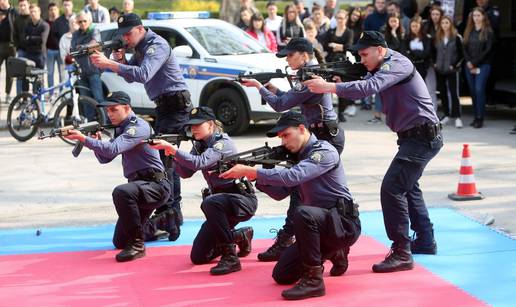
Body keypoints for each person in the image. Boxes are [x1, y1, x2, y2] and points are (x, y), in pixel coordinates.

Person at [305, 31, 443, 273]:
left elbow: (369, 87)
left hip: (421, 137)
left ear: (380, 49)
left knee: (392, 188)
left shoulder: (396, 64)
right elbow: (363, 77)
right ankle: (425, 240)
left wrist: (328, 86)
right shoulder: (382, 64)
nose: (361, 59)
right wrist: (340, 79)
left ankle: (402, 251)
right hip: (415, 137)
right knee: (408, 186)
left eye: (364, 54)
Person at [220, 111, 361, 300]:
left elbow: (293, 176)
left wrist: (254, 171)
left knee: (302, 213)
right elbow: (280, 194)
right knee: (282, 275)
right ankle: (335, 253)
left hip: (342, 224)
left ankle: (314, 282)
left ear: (302, 129)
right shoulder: (298, 158)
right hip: (319, 229)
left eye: (286, 135)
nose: (283, 142)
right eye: (280, 138)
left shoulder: (324, 151)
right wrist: (256, 178)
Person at [240, 38, 348, 276]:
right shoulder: (310, 74)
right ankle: (318, 240)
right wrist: (275, 90)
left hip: (322, 138)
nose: (288, 61)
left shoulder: (310, 77)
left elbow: (281, 105)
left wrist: (258, 87)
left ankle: (296, 239)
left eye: (290, 56)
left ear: (303, 55)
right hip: (320, 134)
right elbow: (292, 99)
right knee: (302, 189)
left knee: (300, 189)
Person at [90, 13, 192, 240]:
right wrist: (122, 62)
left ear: (140, 29)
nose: (126, 38)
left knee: (166, 158)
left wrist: (112, 64)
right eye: (123, 35)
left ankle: (171, 215)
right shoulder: (139, 46)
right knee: (164, 157)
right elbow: (131, 77)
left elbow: (144, 74)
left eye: (128, 33)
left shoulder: (157, 44)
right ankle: (170, 214)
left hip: (175, 105)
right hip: (165, 106)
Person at [64, 91, 171, 262]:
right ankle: (158, 224)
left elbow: (112, 149)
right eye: (107, 111)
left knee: (121, 192)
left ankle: (138, 245)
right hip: (139, 188)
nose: (109, 114)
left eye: (114, 109)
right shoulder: (122, 128)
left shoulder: (138, 127)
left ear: (127, 108)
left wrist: (84, 139)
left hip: (155, 186)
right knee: (119, 241)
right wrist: (95, 142)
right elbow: (105, 158)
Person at [150, 106, 257, 275]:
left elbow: (199, 163)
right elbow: (186, 173)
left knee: (210, 202)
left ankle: (230, 258)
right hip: (219, 206)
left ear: (210, 125)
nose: (193, 129)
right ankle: (239, 236)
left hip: (240, 200)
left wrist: (175, 150)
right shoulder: (200, 145)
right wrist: (171, 156)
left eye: (197, 125)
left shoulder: (223, 143)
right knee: (199, 256)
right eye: (191, 125)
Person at [463, 7, 494, 129]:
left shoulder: (488, 32)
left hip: (483, 65)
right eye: (474, 16)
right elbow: (464, 48)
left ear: (483, 17)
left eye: (478, 15)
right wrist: (469, 62)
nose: (476, 18)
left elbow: (488, 50)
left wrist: (475, 62)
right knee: (473, 92)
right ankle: (475, 116)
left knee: (479, 89)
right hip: (469, 66)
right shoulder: (468, 31)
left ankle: (480, 118)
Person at [321, 9, 355, 121]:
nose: (340, 20)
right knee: (328, 87)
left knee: (341, 88)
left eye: (342, 18)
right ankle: (328, 112)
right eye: (338, 18)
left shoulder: (349, 32)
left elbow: (349, 46)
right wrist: (339, 46)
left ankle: (341, 112)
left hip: (342, 63)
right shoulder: (331, 31)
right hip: (330, 62)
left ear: (346, 19)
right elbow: (326, 45)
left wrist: (336, 46)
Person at [70, 11, 104, 120]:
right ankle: (90, 122)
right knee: (85, 100)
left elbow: (94, 45)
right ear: (77, 22)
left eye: (85, 21)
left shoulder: (94, 30)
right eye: (80, 21)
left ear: (89, 21)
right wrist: (84, 49)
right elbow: (73, 50)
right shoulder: (75, 34)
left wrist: (82, 47)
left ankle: (105, 121)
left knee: (98, 98)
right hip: (81, 72)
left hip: (93, 71)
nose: (83, 23)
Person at [433, 16, 463, 129]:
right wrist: (434, 63)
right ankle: (446, 114)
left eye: (447, 23)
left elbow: (461, 55)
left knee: (454, 93)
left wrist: (454, 65)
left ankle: (458, 117)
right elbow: (433, 52)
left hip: (452, 70)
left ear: (451, 24)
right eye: (443, 23)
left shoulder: (457, 37)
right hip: (440, 69)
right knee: (443, 92)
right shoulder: (437, 37)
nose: (445, 25)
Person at [23, 4, 49, 91]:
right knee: (25, 77)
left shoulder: (44, 25)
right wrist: (34, 39)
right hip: (29, 54)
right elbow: (24, 39)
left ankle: (38, 100)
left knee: (39, 78)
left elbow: (42, 40)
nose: (33, 13)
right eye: (31, 12)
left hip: (39, 55)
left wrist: (30, 38)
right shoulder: (27, 25)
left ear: (39, 12)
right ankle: (25, 99)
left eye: (35, 11)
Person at [0, 0, 17, 103]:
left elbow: (18, 28)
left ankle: (8, 94)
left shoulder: (14, 12)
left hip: (11, 46)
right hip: (0, 45)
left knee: (10, 72)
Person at [13, 0, 30, 94]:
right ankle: (19, 97)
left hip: (33, 51)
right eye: (21, 5)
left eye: (24, 5)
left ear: (28, 5)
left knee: (34, 76)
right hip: (22, 51)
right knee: (20, 75)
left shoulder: (32, 17)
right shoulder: (17, 19)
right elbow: (14, 35)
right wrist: (18, 46)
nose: (22, 7)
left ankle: (36, 99)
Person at [46, 2, 63, 95]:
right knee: (50, 73)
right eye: (51, 10)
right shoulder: (46, 22)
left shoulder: (62, 21)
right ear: (48, 11)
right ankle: (51, 93)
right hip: (50, 51)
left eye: (55, 9)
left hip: (60, 51)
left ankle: (61, 92)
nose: (53, 12)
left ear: (58, 10)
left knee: (62, 73)